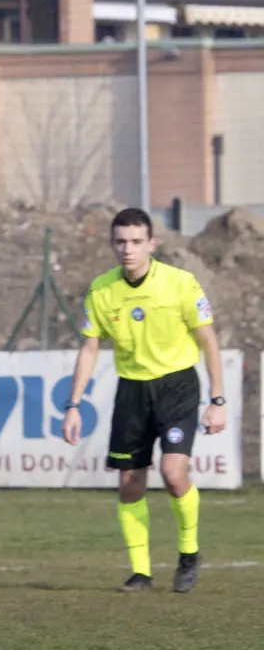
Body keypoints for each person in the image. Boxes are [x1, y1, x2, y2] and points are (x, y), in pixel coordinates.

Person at [62, 207, 225, 595]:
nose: (127, 250)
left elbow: (209, 341)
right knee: (129, 483)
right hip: (132, 390)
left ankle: (189, 553)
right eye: (120, 242)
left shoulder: (180, 284)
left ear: (152, 244)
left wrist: (218, 399)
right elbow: (89, 348)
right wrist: (73, 405)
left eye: (136, 242)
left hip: (177, 386)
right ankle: (141, 572)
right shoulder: (102, 289)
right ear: (111, 244)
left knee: (172, 473)